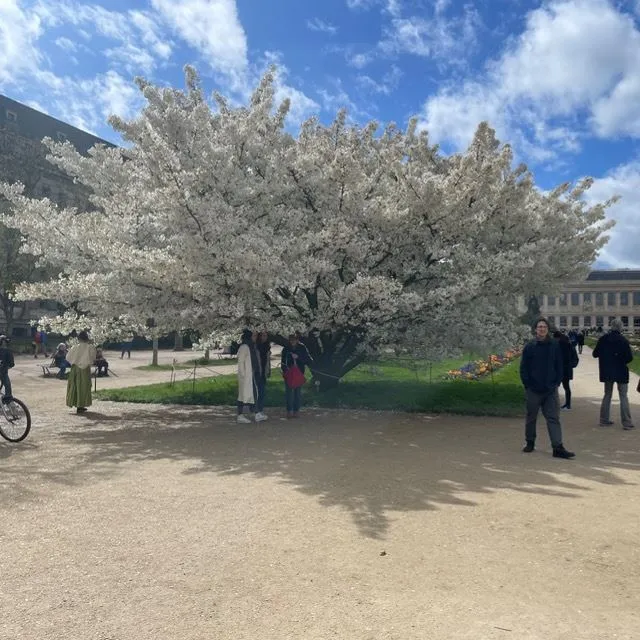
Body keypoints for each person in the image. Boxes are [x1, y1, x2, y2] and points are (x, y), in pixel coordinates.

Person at [519, 318, 575, 458]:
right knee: (531, 417)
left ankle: (558, 447)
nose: (542, 329)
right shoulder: (530, 346)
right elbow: (523, 368)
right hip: (533, 388)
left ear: (547, 329)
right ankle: (530, 442)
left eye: (544, 327)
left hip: (550, 389)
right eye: (539, 327)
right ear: (535, 329)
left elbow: (559, 365)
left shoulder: (554, 345)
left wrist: (556, 382)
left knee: (553, 418)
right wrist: (528, 384)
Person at [593, 319, 634, 430]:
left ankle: (603, 420)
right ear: (620, 327)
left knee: (607, 394)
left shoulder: (603, 339)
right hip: (621, 371)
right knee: (623, 396)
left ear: (611, 326)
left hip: (607, 371)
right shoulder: (623, 340)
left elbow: (594, 354)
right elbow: (629, 358)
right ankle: (627, 423)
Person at [281, 333, 313, 419]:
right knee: (288, 393)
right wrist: (285, 371)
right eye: (291, 339)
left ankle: (296, 410)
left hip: (299, 373)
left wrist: (298, 357)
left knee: (297, 393)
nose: (293, 341)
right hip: (289, 373)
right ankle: (289, 411)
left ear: (297, 339)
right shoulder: (286, 349)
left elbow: (308, 360)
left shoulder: (302, 348)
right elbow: (283, 362)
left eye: (294, 339)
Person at [66, 331, 97, 414]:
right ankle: (81, 405)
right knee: (84, 387)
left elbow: (68, 357)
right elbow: (93, 357)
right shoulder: (90, 347)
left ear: (78, 338)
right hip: (85, 369)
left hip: (75, 368)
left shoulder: (75, 347)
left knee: (75, 386)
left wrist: (74, 361)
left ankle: (78, 405)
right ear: (87, 338)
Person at [236, 329, 262, 423]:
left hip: (251, 375)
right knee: (243, 395)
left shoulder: (250, 346)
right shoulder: (244, 347)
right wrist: (243, 375)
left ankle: (256, 413)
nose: (255, 338)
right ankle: (240, 415)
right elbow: (241, 362)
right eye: (254, 336)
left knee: (253, 394)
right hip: (246, 376)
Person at [553, 330, 578, 410]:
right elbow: (575, 357)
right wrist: (572, 365)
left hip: (559, 369)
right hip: (567, 369)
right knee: (566, 387)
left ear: (557, 338)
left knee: (555, 387)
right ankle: (568, 404)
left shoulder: (558, 345)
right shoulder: (569, 344)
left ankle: (555, 405)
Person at [255, 330, 271, 422]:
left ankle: (260, 410)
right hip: (258, 372)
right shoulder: (257, 347)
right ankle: (257, 411)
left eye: (265, 336)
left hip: (263, 372)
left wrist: (268, 371)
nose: (264, 337)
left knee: (262, 392)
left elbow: (267, 361)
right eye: (262, 336)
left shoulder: (267, 347)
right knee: (258, 392)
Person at [0, 334, 15, 402]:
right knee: (6, 382)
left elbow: (11, 364)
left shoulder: (7, 351)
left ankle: (8, 397)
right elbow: (11, 364)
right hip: (3, 370)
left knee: (6, 382)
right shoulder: (8, 351)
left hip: (3, 370)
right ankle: (8, 397)